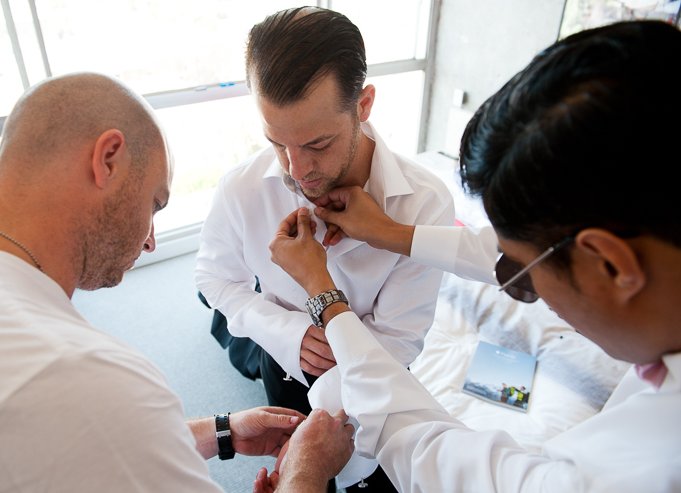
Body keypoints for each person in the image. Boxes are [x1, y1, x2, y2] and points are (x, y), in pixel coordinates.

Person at [266, 21, 681, 492]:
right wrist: (391, 233)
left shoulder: (641, 469)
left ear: (610, 264)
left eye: (526, 272)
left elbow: (435, 457)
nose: (297, 167)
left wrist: (325, 298)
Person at [0, 72, 353, 492]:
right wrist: (307, 472)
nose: (151, 242)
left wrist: (221, 432)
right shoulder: (83, 376)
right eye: (154, 204)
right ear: (108, 160)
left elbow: (95, 446)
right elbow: (102, 422)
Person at [194, 7, 453, 490]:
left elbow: (399, 339)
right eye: (277, 142)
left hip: (379, 377)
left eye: (317, 143)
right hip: (283, 361)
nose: (297, 170)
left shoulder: (425, 204)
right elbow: (213, 279)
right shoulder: (241, 189)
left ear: (364, 104)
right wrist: (289, 333)